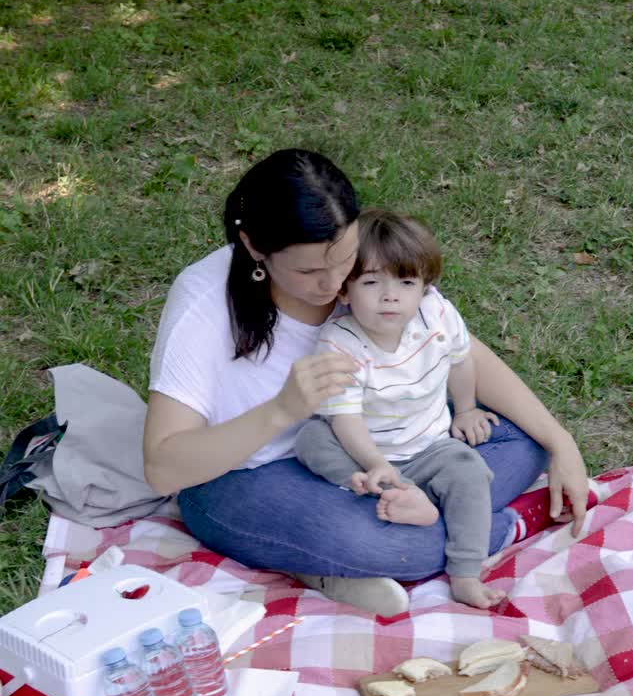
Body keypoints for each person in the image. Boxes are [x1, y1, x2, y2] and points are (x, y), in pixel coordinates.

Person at [143, 147, 589, 618]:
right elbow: (163, 468)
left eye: (345, 259)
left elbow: (459, 349)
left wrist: (562, 443)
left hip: (383, 440)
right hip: (249, 475)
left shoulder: (367, 272)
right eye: (311, 271)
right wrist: (282, 409)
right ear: (255, 248)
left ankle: (411, 525)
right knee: (395, 545)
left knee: (521, 437)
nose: (337, 283)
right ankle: (479, 527)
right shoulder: (203, 307)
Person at [294, 210, 505, 610]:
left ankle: (464, 573)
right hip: (362, 448)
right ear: (344, 291)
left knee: (471, 471)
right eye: (371, 282)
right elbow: (345, 418)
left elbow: (460, 361)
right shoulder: (339, 342)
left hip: (426, 443)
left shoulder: (437, 315)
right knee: (311, 439)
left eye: (406, 283)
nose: (390, 295)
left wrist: (466, 409)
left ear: (425, 288)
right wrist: (376, 464)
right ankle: (396, 491)